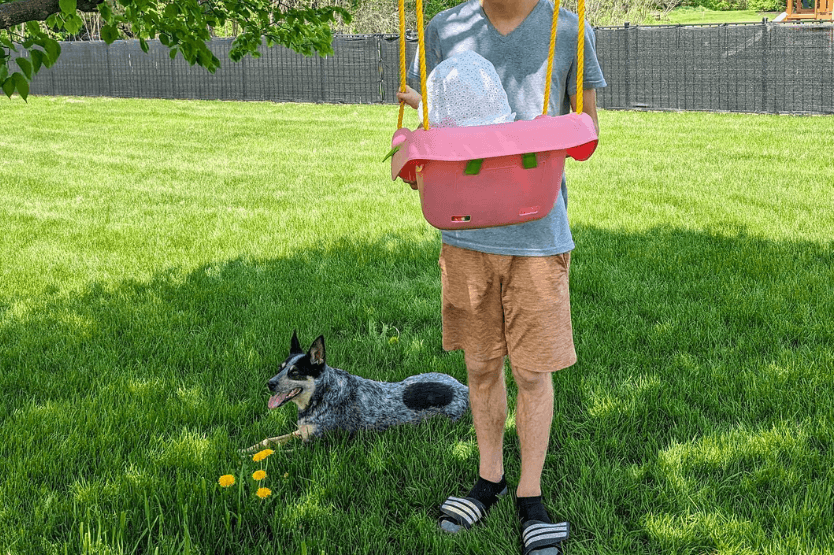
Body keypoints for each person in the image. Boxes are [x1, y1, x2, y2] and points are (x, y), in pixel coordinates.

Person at [396, 0, 606, 554]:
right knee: (481, 366)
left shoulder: (567, 27)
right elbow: (429, 116)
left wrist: (538, 135)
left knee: (533, 372)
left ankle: (529, 495)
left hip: (537, 236)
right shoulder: (443, 27)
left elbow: (588, 132)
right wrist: (420, 148)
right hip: (465, 236)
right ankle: (488, 478)